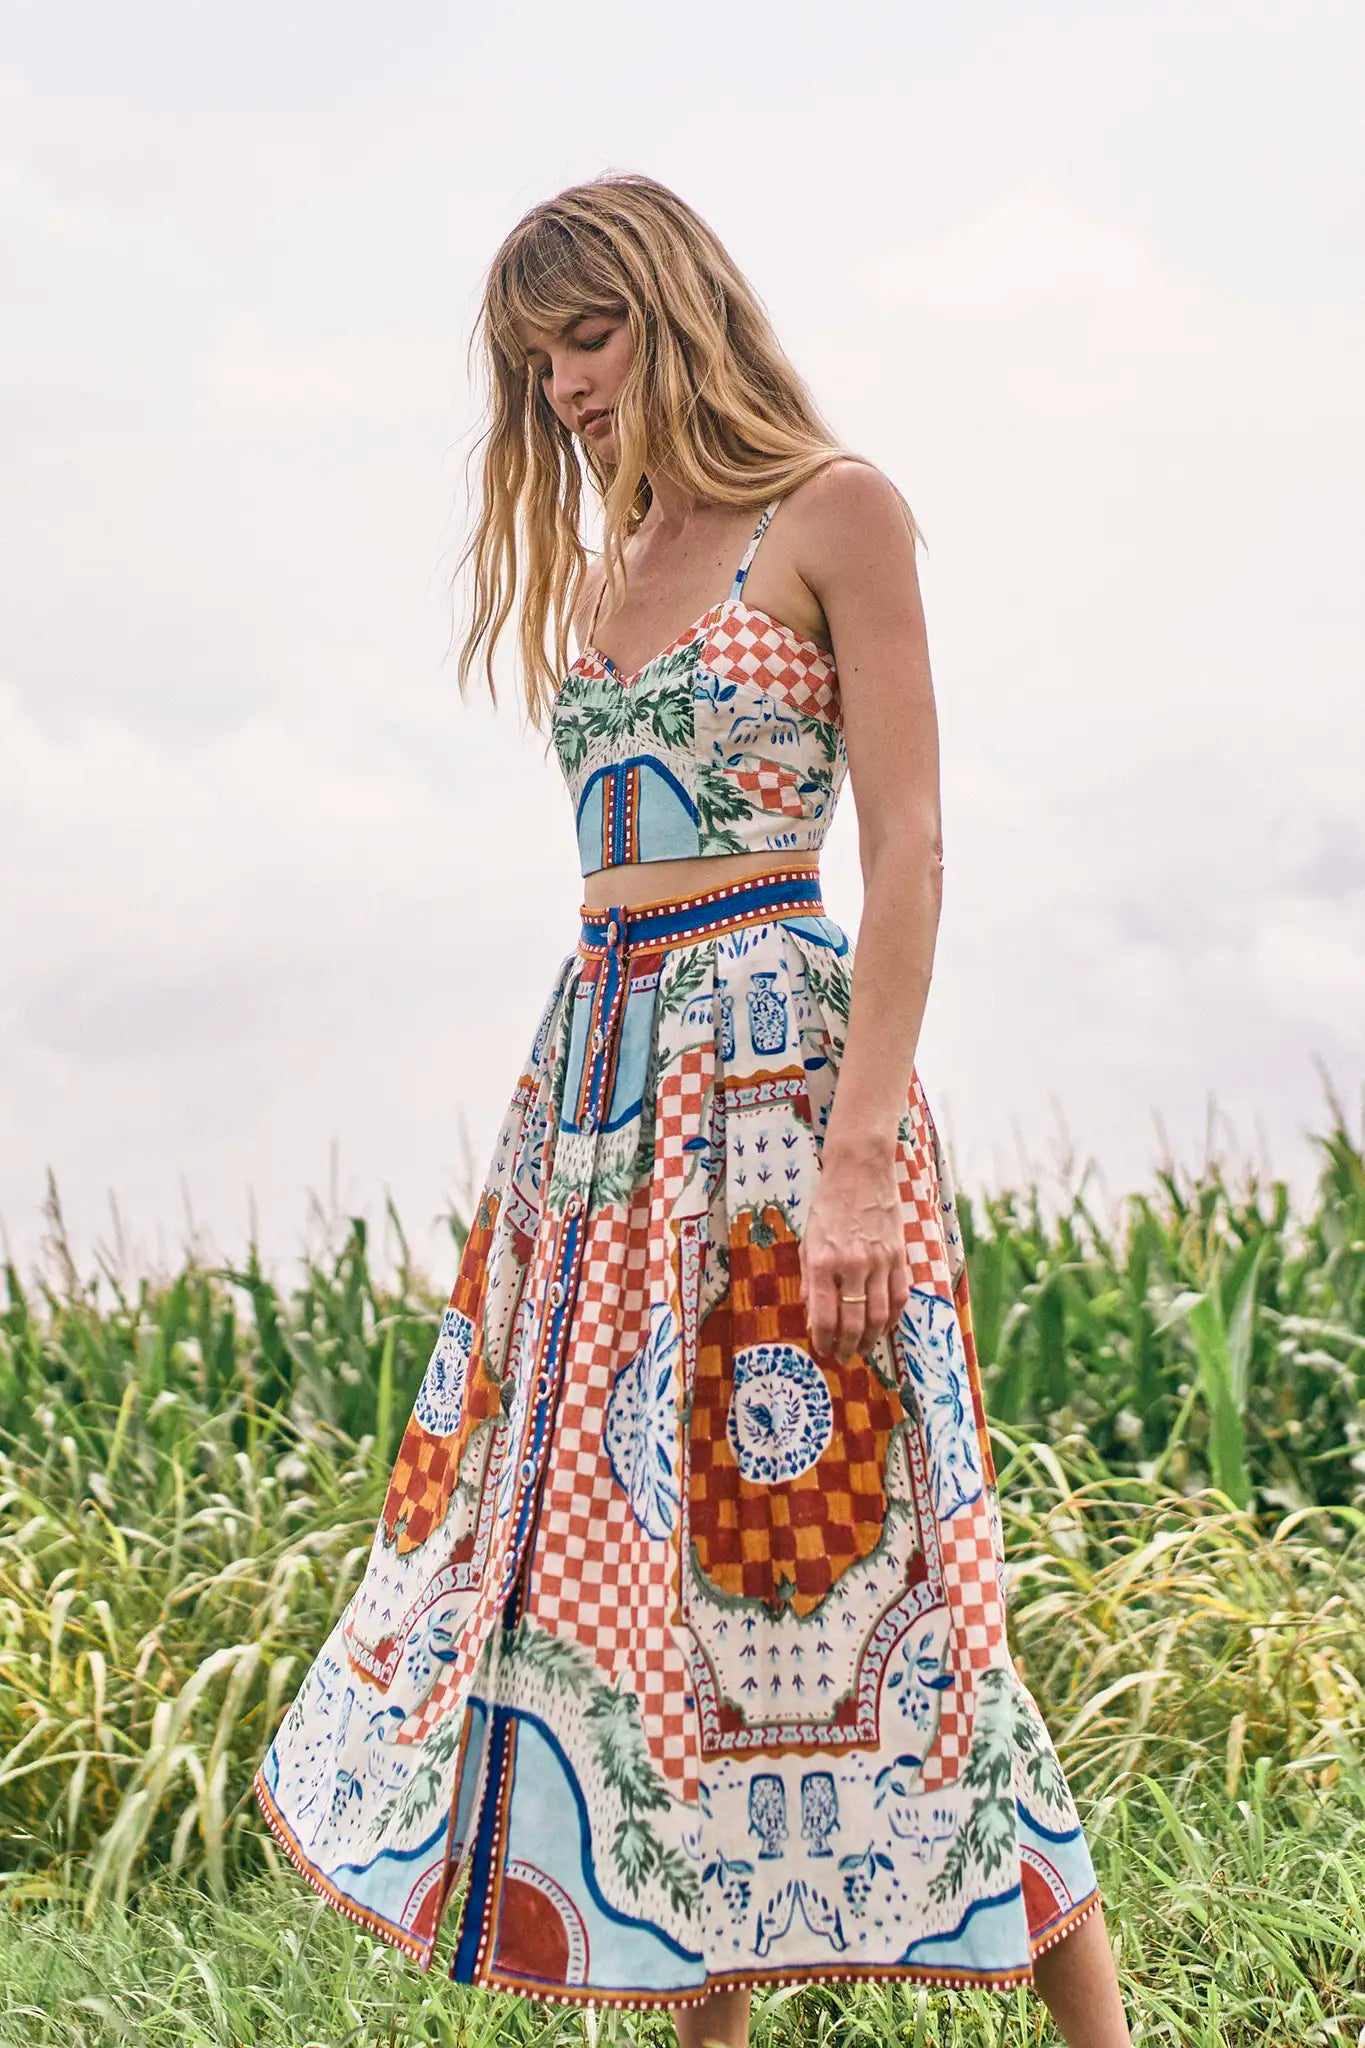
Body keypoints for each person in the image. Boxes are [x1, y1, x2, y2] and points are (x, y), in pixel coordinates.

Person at [252, 172, 1132, 2048]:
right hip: (599, 1098)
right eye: (536, 358)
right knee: (655, 1596)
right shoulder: (601, 573)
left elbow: (908, 849)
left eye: (592, 335)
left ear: (678, 308)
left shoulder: (832, 510)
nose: (566, 383)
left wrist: (857, 1161)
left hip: (781, 1082)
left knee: (894, 1570)